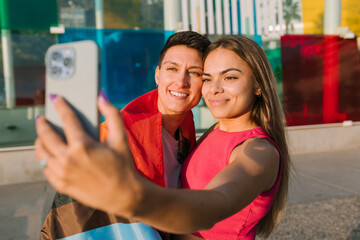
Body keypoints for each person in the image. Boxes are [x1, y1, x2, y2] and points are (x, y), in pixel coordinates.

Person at [35, 36, 291, 240]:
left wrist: (129, 197)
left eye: (230, 77)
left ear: (258, 85)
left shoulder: (258, 150)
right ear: (157, 74)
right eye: (208, 78)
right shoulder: (208, 132)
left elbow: (215, 204)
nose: (214, 88)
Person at [37, 31, 210, 240]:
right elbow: (72, 217)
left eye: (195, 72)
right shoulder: (117, 133)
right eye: (172, 69)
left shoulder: (186, 129)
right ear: (157, 74)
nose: (181, 81)